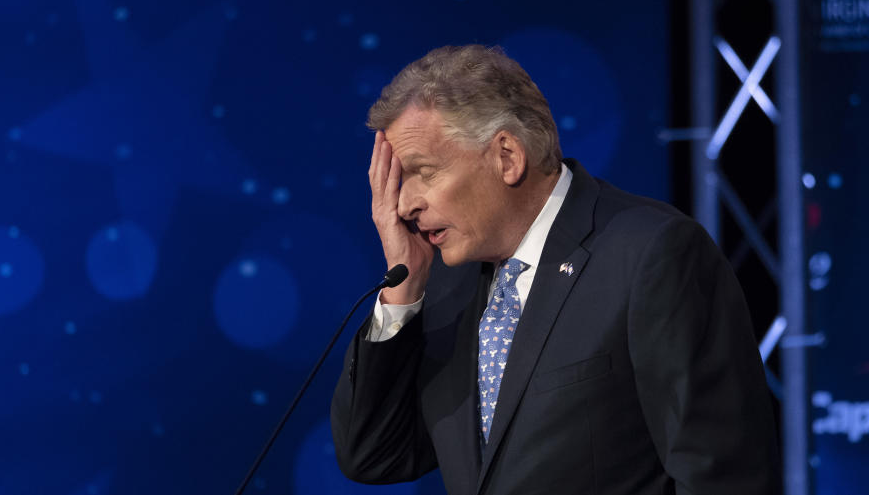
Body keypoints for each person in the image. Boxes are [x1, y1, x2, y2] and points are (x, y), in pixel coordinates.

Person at [330, 44, 781, 494]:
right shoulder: (448, 287)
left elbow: (722, 476)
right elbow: (373, 454)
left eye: (422, 173)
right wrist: (402, 290)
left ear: (507, 156)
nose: (404, 205)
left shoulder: (651, 255)